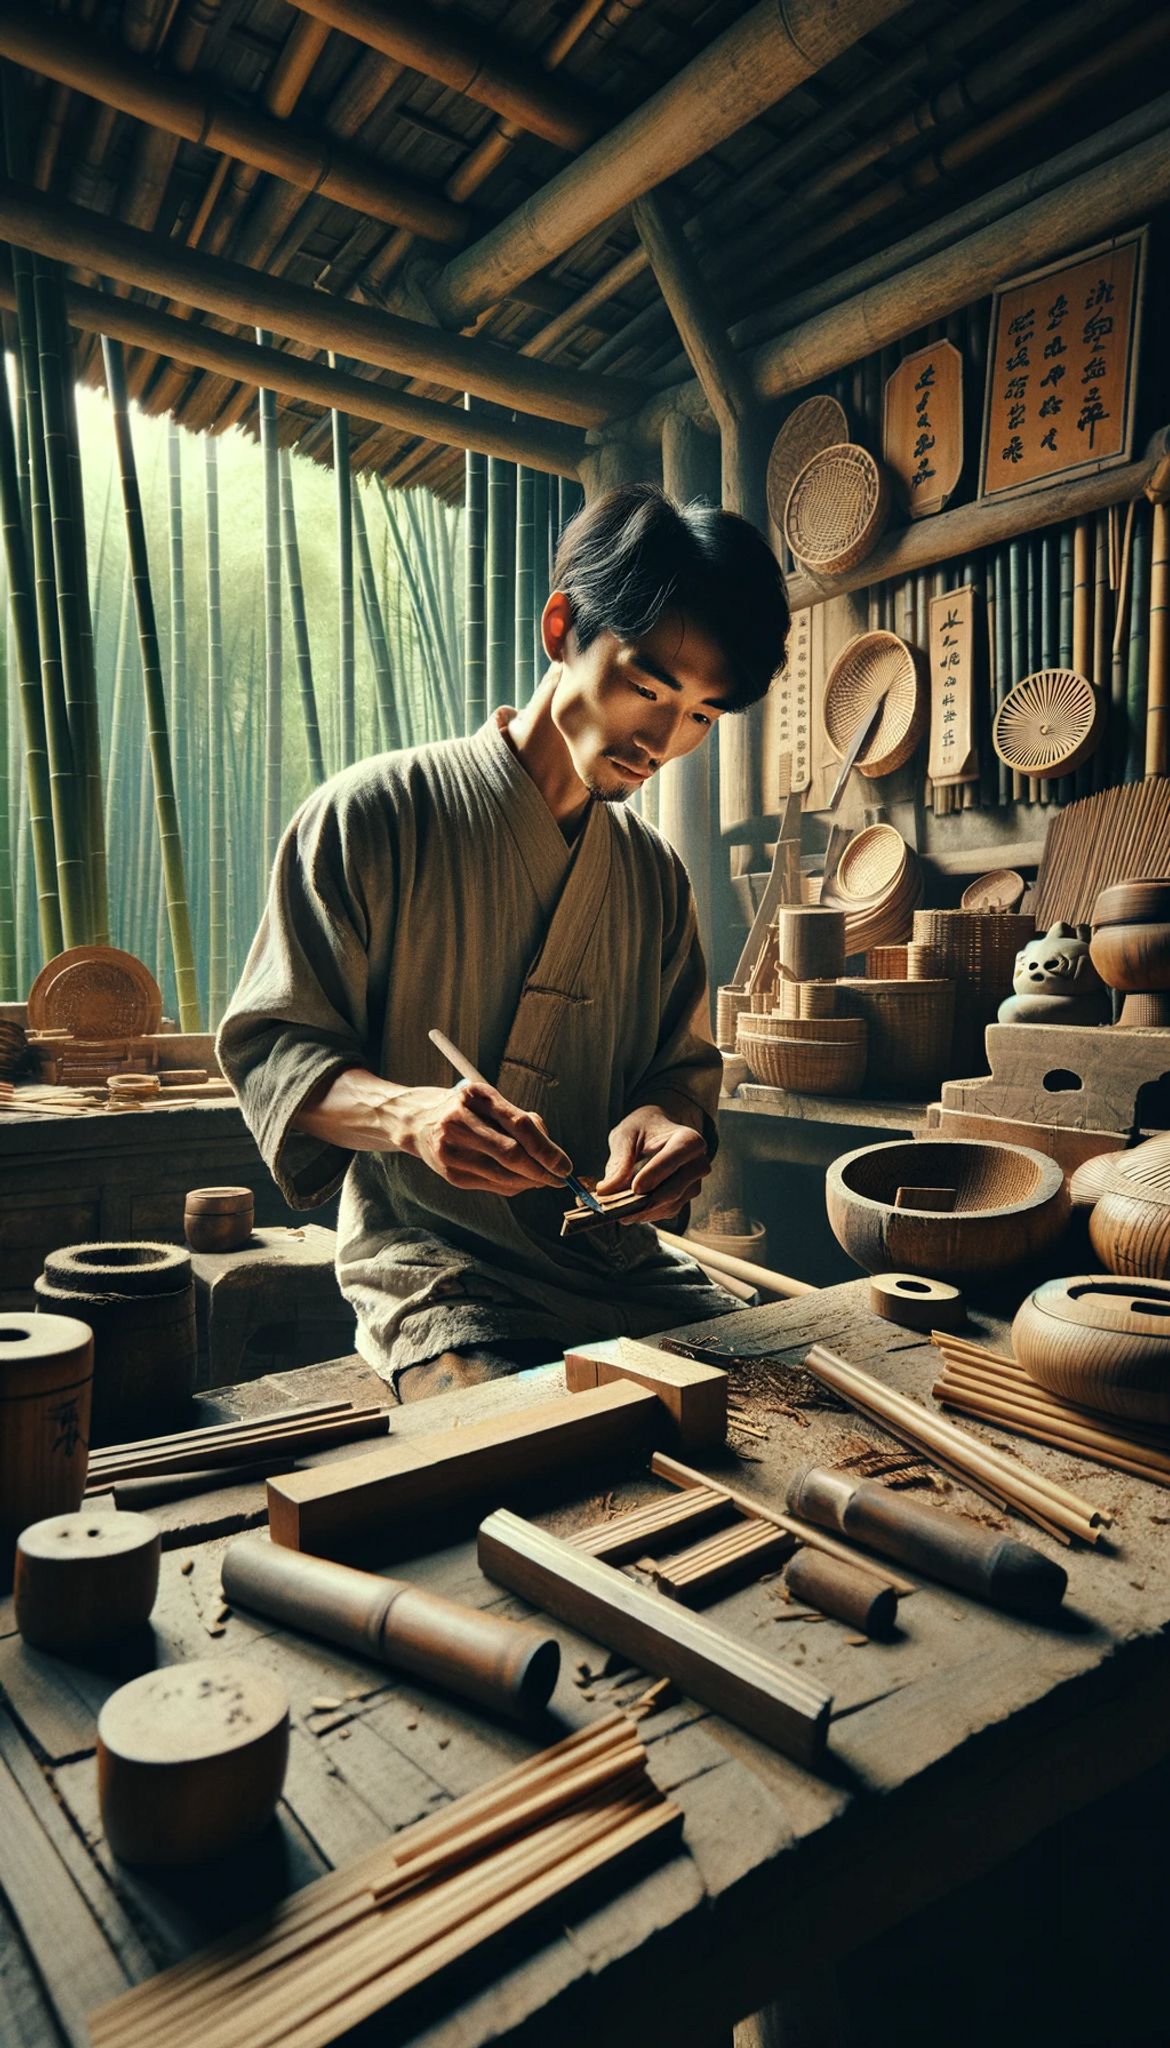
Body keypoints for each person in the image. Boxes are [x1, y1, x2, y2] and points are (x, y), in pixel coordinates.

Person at [218, 484, 790, 1401]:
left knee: (787, 1398)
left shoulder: (654, 878)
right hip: (440, 1273)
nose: (661, 738)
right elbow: (275, 1051)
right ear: (561, 628)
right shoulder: (371, 816)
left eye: (700, 715)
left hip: (618, 1264)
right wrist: (408, 1117)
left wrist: (669, 1126)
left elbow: (677, 1074)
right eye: (647, 687)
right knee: (518, 1437)